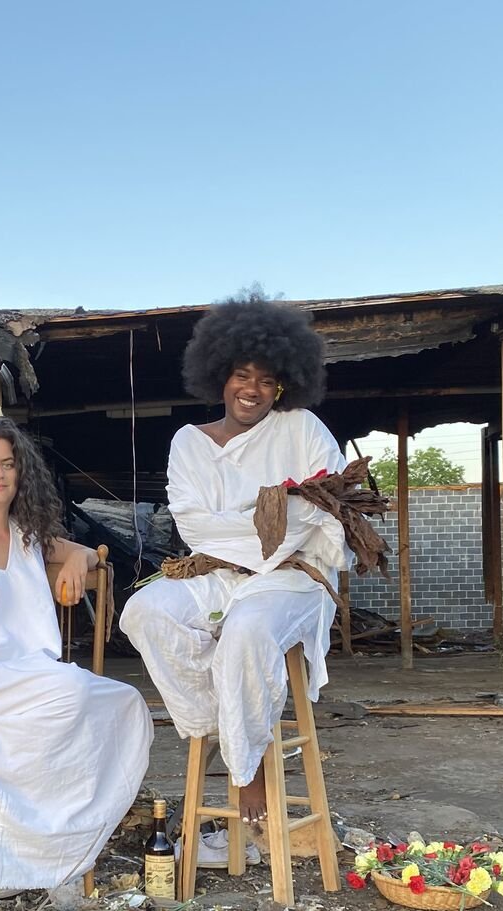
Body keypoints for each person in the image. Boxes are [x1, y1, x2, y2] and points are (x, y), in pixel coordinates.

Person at [120, 294, 347, 832]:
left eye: (267, 380)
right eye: (242, 375)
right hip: (217, 572)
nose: (252, 389)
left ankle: (248, 768)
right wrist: (271, 516)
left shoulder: (302, 428)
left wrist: (264, 526)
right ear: (219, 375)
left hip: (296, 576)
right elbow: (195, 528)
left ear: (283, 386)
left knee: (246, 630)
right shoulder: (189, 443)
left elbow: (326, 510)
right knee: (144, 612)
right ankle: (227, 729)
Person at [0, 416, 153, 895]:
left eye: (8, 464)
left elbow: (89, 551)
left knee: (120, 703)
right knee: (72, 690)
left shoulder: (27, 536)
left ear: (21, 474)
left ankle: (58, 848)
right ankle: (15, 861)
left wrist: (77, 559)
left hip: (27, 675)